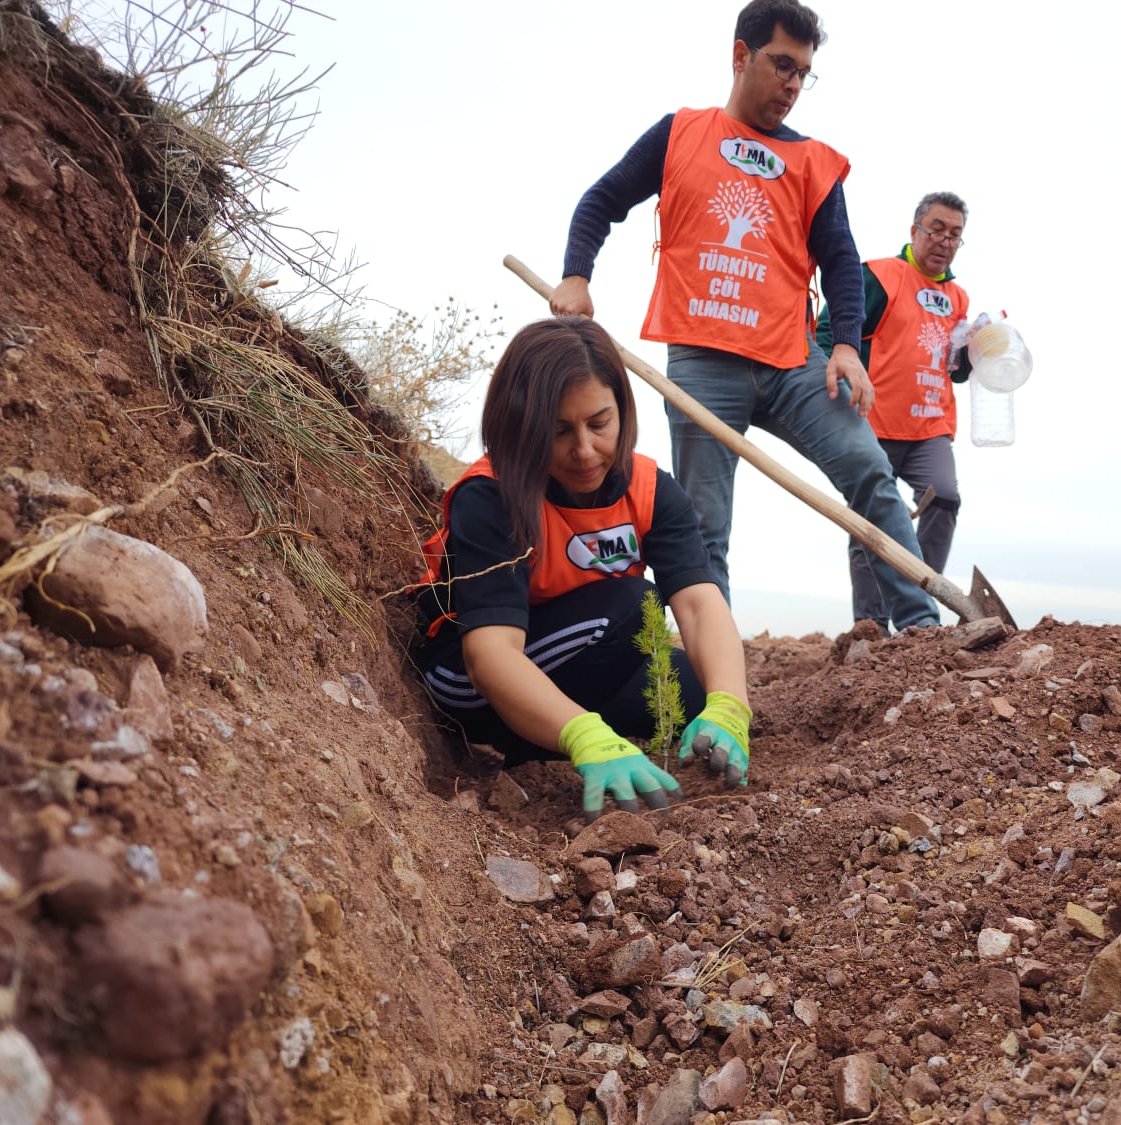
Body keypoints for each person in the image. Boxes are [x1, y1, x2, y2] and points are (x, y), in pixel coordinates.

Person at [548, 0, 940, 632]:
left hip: (792, 364)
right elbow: (602, 200)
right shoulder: (682, 132)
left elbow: (840, 259)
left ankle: (923, 631)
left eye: (803, 72)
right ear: (740, 55)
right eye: (782, 64)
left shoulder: (812, 161)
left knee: (870, 469)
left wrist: (844, 346)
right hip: (702, 364)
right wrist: (576, 275)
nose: (792, 83)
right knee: (705, 529)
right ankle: (721, 682)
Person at [410, 317, 753, 822]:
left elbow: (701, 604)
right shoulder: (492, 496)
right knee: (633, 604)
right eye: (558, 431)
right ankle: (555, 738)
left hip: (582, 653)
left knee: (697, 690)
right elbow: (488, 655)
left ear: (622, 410)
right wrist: (582, 734)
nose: (584, 451)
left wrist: (730, 706)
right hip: (465, 680)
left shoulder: (653, 489)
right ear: (523, 425)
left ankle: (565, 734)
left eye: (599, 423)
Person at [817, 191, 972, 631]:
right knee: (870, 517)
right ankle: (871, 625)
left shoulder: (958, 297)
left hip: (930, 425)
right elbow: (827, 331)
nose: (944, 240)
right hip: (873, 419)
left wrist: (977, 356)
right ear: (915, 231)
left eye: (955, 235)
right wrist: (840, 380)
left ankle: (918, 599)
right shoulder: (880, 277)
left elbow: (953, 366)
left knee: (945, 496)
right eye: (937, 229)